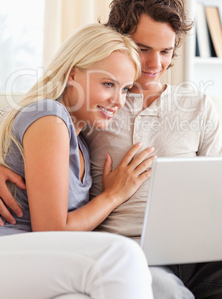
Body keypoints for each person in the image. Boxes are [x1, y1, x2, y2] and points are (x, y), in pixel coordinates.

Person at [1, 0, 222, 299]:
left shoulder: (195, 107)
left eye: (166, 51)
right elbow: (31, 126)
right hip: (128, 251)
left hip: (196, 252)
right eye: (143, 49)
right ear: (118, 41)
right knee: (159, 286)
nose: (155, 64)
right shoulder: (89, 107)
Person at [0, 23, 154, 299]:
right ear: (72, 74)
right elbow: (53, 232)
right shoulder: (50, 116)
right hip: (12, 248)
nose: (118, 100)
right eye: (108, 84)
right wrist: (113, 196)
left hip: (35, 259)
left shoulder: (80, 142)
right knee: (120, 255)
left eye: (125, 89)